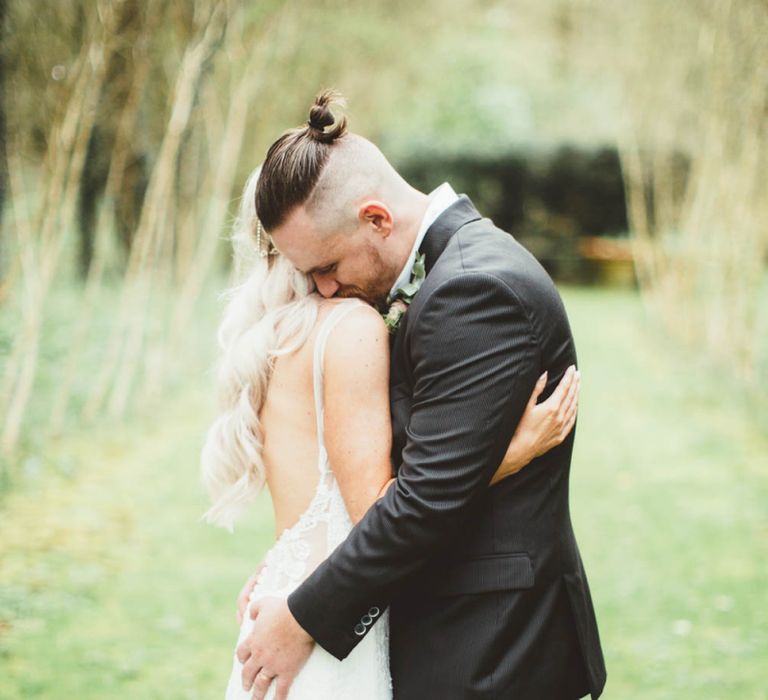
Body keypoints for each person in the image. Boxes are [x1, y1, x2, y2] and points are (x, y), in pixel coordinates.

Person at [207, 88, 605, 699]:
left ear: (376, 219)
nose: (324, 288)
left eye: (326, 266)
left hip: (487, 651)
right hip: (444, 634)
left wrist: (303, 614)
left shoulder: (475, 289)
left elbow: (423, 501)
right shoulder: (440, 278)